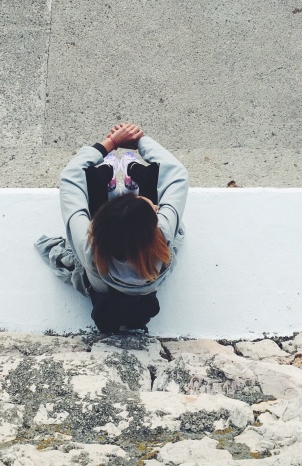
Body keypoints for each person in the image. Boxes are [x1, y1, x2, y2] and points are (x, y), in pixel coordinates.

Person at [35, 123, 189, 333]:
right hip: (144, 278)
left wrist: (112, 142)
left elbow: (71, 177)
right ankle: (133, 171)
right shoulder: (165, 233)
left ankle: (106, 175)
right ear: (154, 226)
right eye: (152, 208)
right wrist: (139, 140)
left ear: (96, 227)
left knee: (88, 177)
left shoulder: (89, 246)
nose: (154, 206)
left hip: (104, 285)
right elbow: (177, 175)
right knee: (155, 174)